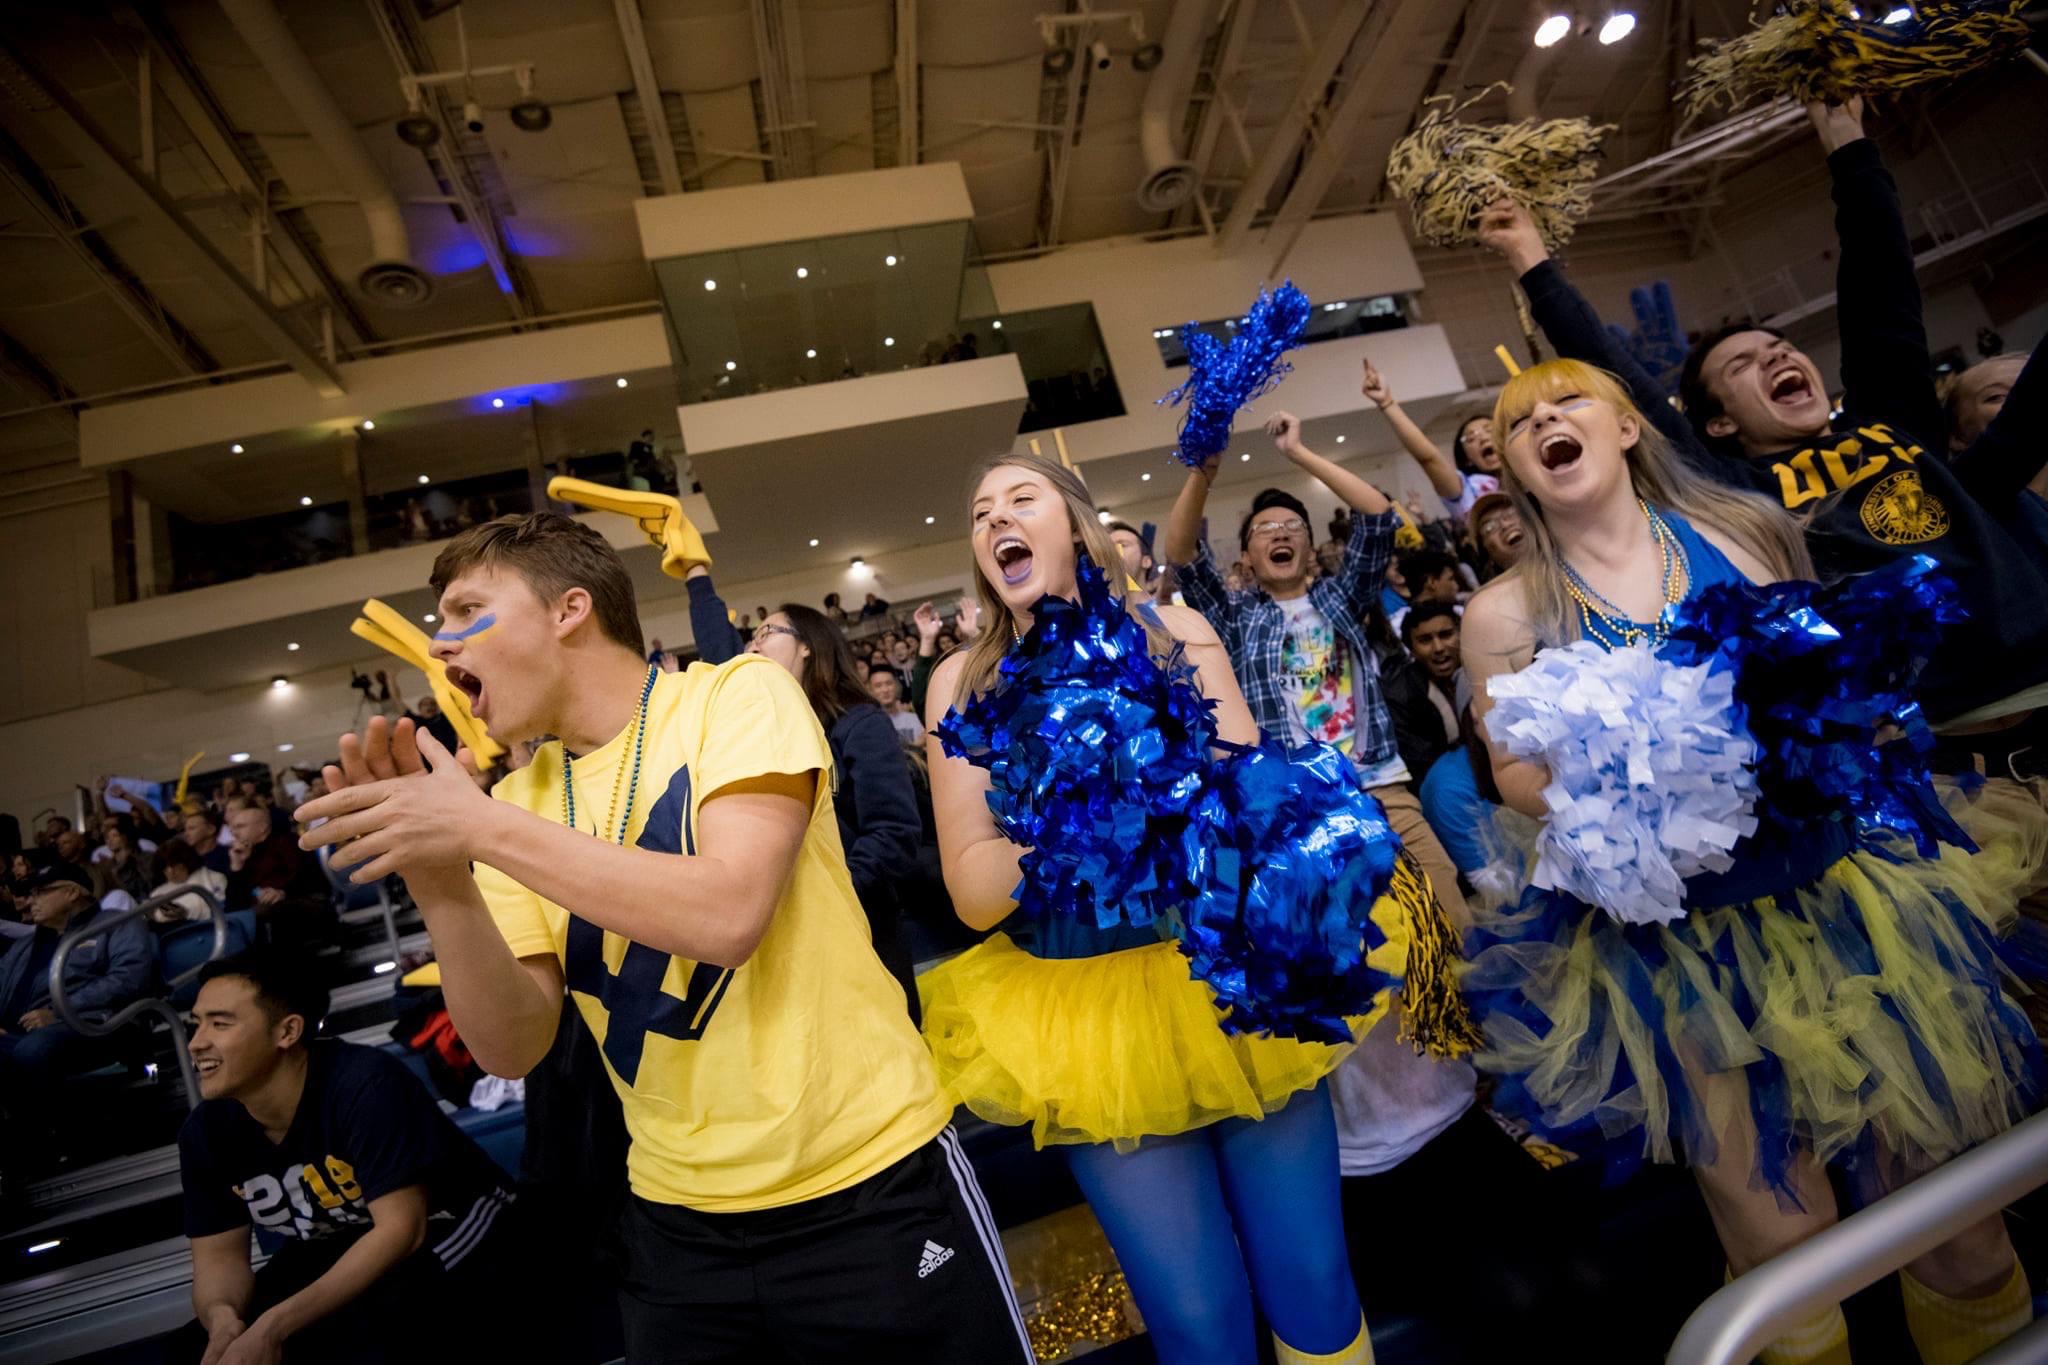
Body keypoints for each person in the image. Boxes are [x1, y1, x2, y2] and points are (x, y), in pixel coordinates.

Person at [294, 513, 1030, 1362]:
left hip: (871, 1185)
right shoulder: (516, 804)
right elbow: (512, 1044)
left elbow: (728, 915)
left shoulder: (735, 697)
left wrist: (479, 831)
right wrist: (437, 875)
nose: (441, 643)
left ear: (570, 609)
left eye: (466, 611)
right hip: (678, 1234)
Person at [1459, 358, 2037, 1365]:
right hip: (1678, 953)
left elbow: (1829, 683)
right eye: (1518, 423)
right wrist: (1625, 790)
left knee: (1951, 1224)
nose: (1544, 418)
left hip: (1849, 904)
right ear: (1511, 469)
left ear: (1628, 428)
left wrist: (1816, 733)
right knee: (1781, 1240)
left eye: (1567, 401)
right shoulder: (1502, 613)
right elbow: (1508, 768)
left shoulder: (1739, 534)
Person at [1478, 98, 2048, 884]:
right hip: (1956, 769)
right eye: (1742, 365)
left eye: (1780, 347)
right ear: (1711, 424)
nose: (1777, 357)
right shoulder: (1746, 504)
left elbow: (1882, 285)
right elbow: (1623, 391)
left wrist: (1845, 138)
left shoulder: (1895, 421)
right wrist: (1533, 264)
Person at [921, 450, 1375, 1365]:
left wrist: (1162, 781)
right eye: (980, 513)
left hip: (1227, 982)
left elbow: (1257, 808)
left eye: (1020, 499)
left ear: (1078, 524)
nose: (995, 519)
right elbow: (972, 892)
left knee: (1314, 1284)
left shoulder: (1177, 633)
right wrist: (1078, 822)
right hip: (1086, 1018)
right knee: (1197, 1323)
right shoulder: (962, 685)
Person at [1162, 409, 1473, 936]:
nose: (1280, 534)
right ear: (1248, 555)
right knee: (1345, 942)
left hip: (1378, 782)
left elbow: (1377, 517)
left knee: (1450, 912)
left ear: (1307, 547)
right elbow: (1181, 555)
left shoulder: (1339, 597)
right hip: (1293, 799)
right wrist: (1203, 475)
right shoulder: (1234, 618)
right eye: (1265, 529)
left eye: (1293, 527)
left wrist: (1299, 453)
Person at [174, 950, 526, 1365]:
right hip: (342, 1241)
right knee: (190, 1350)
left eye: (220, 1023)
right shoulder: (206, 1131)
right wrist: (223, 1320)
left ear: (287, 1032)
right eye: (196, 1024)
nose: (197, 1043)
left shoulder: (365, 1083)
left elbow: (402, 1230)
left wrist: (273, 1325)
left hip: (456, 1226)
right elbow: (219, 1261)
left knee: (375, 1327)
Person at [746, 606, 925, 1022]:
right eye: (751, 637)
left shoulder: (859, 724)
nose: (753, 644)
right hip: (795, 951)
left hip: (865, 935)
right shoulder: (766, 736)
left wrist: (832, 898)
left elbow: (894, 833)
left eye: (766, 631)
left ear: (807, 644)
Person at [0, 862, 153, 1174]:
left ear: (71, 892)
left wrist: (59, 1012)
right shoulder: (25, 945)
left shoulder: (114, 923)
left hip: (92, 1025)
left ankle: (41, 1150)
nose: (32, 901)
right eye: (30, 894)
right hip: (17, 1034)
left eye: (41, 892)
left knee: (34, 1050)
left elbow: (130, 977)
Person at [1360, 356, 1496, 519]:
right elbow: (1429, 459)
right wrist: (1387, 403)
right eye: (1471, 438)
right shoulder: (1469, 491)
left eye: (1490, 429)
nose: (1483, 438)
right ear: (1467, 459)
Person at [224, 798, 335, 946]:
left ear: (262, 827)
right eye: (232, 828)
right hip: (259, 916)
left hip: (300, 904)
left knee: (280, 914)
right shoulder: (241, 856)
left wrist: (283, 892)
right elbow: (233, 906)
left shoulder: (288, 843)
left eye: (240, 827)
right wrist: (237, 867)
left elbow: (310, 879)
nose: (234, 833)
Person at [1382, 602, 1464, 788]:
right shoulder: (1400, 696)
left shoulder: (1479, 673)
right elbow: (1421, 767)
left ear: (1461, 634)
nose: (1438, 648)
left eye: (1446, 635)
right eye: (1425, 640)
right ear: (1411, 648)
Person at [152, 838, 229, 925]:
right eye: (165, 867)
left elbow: (220, 909)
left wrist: (186, 913)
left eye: (175, 865)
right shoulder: (157, 894)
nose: (171, 871)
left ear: (186, 861)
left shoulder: (214, 878)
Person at [1469, 491, 1527, 576]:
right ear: (1486, 552)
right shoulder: (1497, 589)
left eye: (1511, 514)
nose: (1505, 525)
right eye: (1489, 527)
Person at [866, 668, 924, 748]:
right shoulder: (868, 725)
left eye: (889, 683)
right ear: (870, 691)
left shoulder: (915, 720)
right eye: (878, 686)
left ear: (897, 686)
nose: (885, 690)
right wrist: (915, 746)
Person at [1106, 521, 1156, 602]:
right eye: (1108, 548)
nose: (1113, 551)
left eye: (1122, 545)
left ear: (1146, 561)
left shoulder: (1170, 611)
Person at [183, 807, 235, 875]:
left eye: (192, 828)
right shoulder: (183, 857)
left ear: (211, 829)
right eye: (185, 829)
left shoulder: (230, 855)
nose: (186, 834)